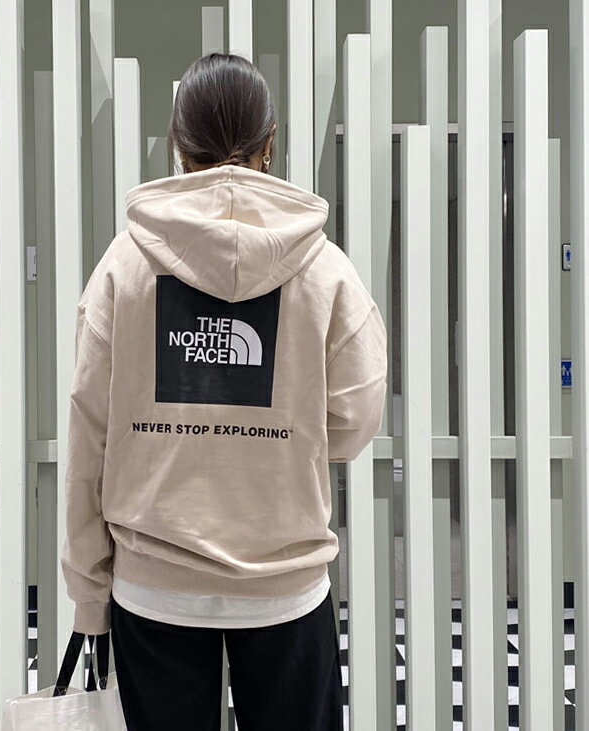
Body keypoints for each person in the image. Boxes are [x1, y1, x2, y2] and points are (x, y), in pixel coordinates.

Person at [60, 52, 388, 731]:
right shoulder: (325, 270)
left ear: (177, 144)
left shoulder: (124, 266)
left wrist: (89, 593)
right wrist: (281, 432)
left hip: (153, 588)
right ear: (271, 142)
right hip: (285, 586)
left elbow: (90, 436)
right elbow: (353, 422)